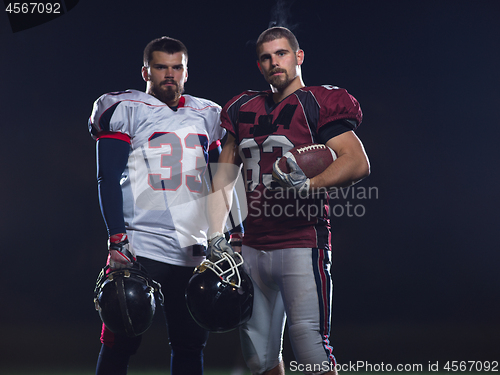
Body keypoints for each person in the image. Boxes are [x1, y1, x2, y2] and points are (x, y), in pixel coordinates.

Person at [207, 27, 370, 375]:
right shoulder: (241, 107)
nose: (273, 62)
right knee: (258, 359)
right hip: (250, 247)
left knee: (312, 350)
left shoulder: (316, 102)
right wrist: (213, 232)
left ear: (298, 57)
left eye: (281, 54)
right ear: (259, 65)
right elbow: (223, 176)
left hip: (301, 242)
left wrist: (310, 185)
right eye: (266, 57)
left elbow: (357, 161)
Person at [88, 36, 232, 375]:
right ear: (146, 71)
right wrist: (117, 238)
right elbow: (106, 177)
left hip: (192, 246)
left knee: (190, 344)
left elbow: (218, 180)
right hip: (141, 245)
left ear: (186, 72)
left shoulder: (207, 114)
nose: (170, 74)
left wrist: (230, 232)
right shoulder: (126, 108)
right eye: (161, 67)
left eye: (176, 67)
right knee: (119, 341)